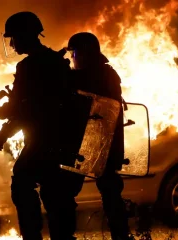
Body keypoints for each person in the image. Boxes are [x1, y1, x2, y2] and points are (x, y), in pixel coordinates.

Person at [0, 12, 84, 240]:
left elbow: (26, 111)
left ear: (25, 36)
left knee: (22, 183)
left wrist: (3, 132)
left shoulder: (29, 67)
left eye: (14, 38)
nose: (12, 44)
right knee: (57, 199)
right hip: (64, 143)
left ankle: (32, 236)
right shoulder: (57, 62)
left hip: (44, 142)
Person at [66, 32, 133, 240]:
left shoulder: (91, 77)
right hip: (104, 145)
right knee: (111, 196)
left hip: (91, 145)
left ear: (84, 53)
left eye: (74, 53)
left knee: (65, 194)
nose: (72, 58)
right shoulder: (108, 74)